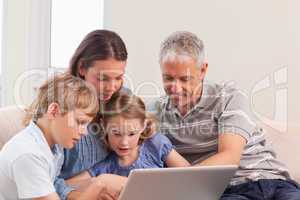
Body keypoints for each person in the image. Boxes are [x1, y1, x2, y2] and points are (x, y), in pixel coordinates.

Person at [148, 31, 300, 200]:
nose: (175, 88)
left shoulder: (228, 97)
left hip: (272, 180)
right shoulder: (155, 113)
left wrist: (184, 183)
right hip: (229, 191)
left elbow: (230, 156)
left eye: (184, 79)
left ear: (203, 70)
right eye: (168, 78)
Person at [55, 30, 129, 200]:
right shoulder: (62, 110)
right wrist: (92, 190)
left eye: (118, 77)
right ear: (82, 68)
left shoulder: (122, 100)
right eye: (103, 79)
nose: (112, 87)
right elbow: (45, 181)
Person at [0, 73, 99, 200]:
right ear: (53, 111)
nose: (85, 132)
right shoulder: (29, 154)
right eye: (80, 122)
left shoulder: (54, 148)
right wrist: (97, 187)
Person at [65, 93, 190, 186]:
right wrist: (97, 182)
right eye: (116, 133)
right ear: (104, 126)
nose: (124, 143)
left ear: (143, 126)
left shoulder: (157, 144)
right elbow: (68, 184)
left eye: (131, 134)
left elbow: (189, 174)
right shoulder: (106, 167)